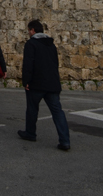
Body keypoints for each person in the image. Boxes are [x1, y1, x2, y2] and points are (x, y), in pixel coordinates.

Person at [18, 19, 71, 151]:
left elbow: (28, 65)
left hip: (36, 83)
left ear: (33, 31)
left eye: (29, 31)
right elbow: (55, 64)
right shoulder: (51, 45)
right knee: (57, 112)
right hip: (52, 83)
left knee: (32, 109)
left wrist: (26, 81)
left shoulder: (31, 44)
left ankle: (30, 133)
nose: (28, 33)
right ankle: (65, 140)